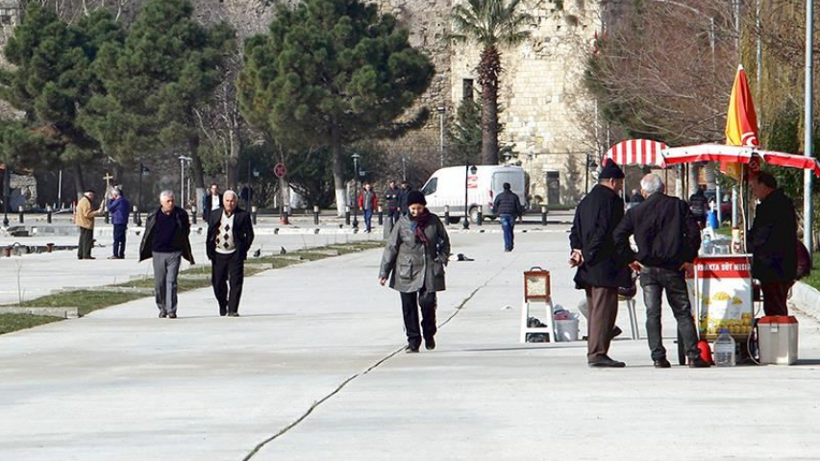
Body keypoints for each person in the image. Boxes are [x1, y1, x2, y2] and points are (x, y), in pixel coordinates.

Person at [613, 174, 710, 368]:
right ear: (663, 187)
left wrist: (631, 258)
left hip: (648, 268)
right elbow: (693, 233)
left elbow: (618, 236)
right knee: (682, 312)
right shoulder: (678, 206)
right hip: (673, 267)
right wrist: (687, 258)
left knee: (652, 313)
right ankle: (693, 354)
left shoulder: (636, 211)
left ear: (643, 192)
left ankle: (658, 356)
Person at [568, 160, 632, 368]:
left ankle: (596, 349)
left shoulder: (585, 201)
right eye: (620, 184)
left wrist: (577, 251)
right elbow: (605, 231)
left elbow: (575, 229)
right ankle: (597, 352)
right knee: (605, 311)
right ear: (612, 181)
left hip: (587, 266)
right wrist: (588, 253)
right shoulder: (612, 201)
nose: (620, 188)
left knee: (595, 309)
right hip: (604, 264)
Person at [379, 191, 451, 353]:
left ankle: (429, 333)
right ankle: (413, 341)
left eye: (419, 208)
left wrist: (441, 259)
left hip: (429, 267)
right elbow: (391, 247)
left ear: (424, 206)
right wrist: (384, 272)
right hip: (406, 269)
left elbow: (445, 242)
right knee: (409, 307)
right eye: (413, 209)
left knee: (427, 303)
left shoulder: (433, 221)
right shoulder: (402, 223)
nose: (416, 212)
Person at [747, 172, 797, 316]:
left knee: (774, 306)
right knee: (775, 303)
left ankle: (777, 334)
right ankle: (776, 332)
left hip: (774, 266)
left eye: (754, 187)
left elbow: (762, 236)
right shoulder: (782, 202)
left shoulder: (771, 206)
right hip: (781, 264)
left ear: (764, 186)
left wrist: (748, 244)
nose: (754, 192)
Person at [139, 191, 195, 319]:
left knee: (171, 282)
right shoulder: (154, 215)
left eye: (172, 201)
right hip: (158, 252)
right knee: (159, 283)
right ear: (161, 203)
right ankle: (162, 307)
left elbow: (185, 230)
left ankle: (171, 310)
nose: (171, 203)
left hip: (174, 253)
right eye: (168, 201)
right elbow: (148, 233)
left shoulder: (180, 214)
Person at [206, 190, 254, 317]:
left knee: (236, 281)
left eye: (232, 201)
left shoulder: (243, 215)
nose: (230, 203)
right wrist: (209, 251)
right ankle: (223, 304)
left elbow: (250, 235)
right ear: (223, 202)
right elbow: (210, 233)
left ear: (236, 202)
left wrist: (243, 249)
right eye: (227, 201)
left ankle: (233, 309)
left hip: (235, 253)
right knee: (218, 282)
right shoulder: (215, 214)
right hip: (218, 253)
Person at [492, 182, 524, 252]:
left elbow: (495, 205)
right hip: (511, 214)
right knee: (510, 230)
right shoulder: (514, 196)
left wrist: (496, 213)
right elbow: (518, 207)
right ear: (510, 187)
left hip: (503, 214)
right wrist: (519, 215)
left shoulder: (499, 196)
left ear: (503, 188)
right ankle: (511, 244)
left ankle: (507, 246)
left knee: (506, 231)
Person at [75, 189, 103, 260]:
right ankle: (86, 255)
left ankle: (81, 253)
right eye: (92, 195)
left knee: (82, 239)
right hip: (86, 223)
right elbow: (87, 214)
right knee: (87, 240)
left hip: (82, 222)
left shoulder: (82, 200)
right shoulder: (86, 202)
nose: (93, 197)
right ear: (89, 195)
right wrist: (97, 212)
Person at [107, 187, 131, 259]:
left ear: (116, 194)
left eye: (112, 195)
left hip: (118, 221)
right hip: (124, 221)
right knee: (123, 239)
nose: (112, 196)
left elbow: (110, 208)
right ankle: (121, 253)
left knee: (116, 239)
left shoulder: (118, 201)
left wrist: (110, 200)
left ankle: (115, 254)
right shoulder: (126, 201)